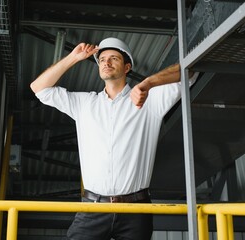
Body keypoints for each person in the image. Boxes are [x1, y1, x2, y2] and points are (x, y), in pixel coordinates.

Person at [30, 37, 198, 240]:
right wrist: (73, 58)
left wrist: (148, 83)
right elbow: (39, 89)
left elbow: (189, 71)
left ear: (127, 67)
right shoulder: (84, 104)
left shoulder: (150, 100)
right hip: (92, 208)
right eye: (101, 60)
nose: (106, 63)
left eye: (113, 58)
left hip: (136, 211)